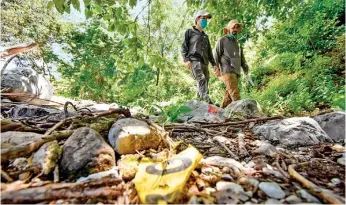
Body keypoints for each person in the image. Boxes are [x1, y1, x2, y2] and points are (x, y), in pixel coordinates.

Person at [181, 10, 220, 104]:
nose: (205, 21)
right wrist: (186, 60)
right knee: (201, 79)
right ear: (197, 19)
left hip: (205, 62)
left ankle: (199, 102)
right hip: (194, 60)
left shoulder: (206, 36)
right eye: (203, 18)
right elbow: (183, 47)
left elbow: (210, 52)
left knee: (205, 81)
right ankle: (207, 101)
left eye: (206, 19)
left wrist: (214, 64)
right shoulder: (189, 32)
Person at [213, 19, 250, 108]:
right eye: (233, 27)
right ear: (229, 28)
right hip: (227, 70)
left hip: (236, 71)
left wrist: (245, 68)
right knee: (235, 94)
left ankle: (222, 112)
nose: (235, 29)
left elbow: (241, 57)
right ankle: (241, 114)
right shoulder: (222, 40)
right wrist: (216, 68)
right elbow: (216, 54)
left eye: (237, 28)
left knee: (228, 97)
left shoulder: (237, 43)